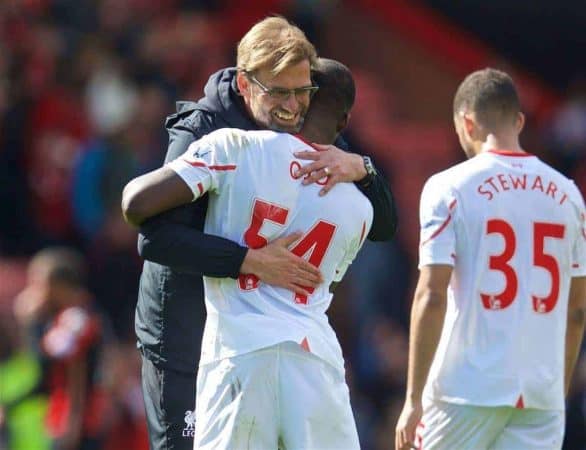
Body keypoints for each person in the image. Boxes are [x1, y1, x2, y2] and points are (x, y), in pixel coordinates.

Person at [128, 16, 397, 450]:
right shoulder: (206, 131)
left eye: (301, 92)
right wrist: (247, 260)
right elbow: (154, 239)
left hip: (260, 335)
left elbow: (385, 222)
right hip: (181, 329)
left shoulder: (299, 128)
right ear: (245, 83)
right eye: (279, 93)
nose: (293, 107)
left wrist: (363, 169)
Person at [395, 68, 586, 450]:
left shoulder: (448, 187)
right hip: (539, 396)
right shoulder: (569, 197)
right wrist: (555, 395)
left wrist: (414, 398)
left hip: (465, 389)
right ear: (518, 121)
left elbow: (431, 296)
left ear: (466, 122)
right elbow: (577, 311)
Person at [13, 247, 106, 450]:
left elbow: (76, 371)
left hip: (77, 421)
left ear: (59, 286)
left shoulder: (76, 320)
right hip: (62, 417)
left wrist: (72, 424)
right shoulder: (61, 317)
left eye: (39, 284)